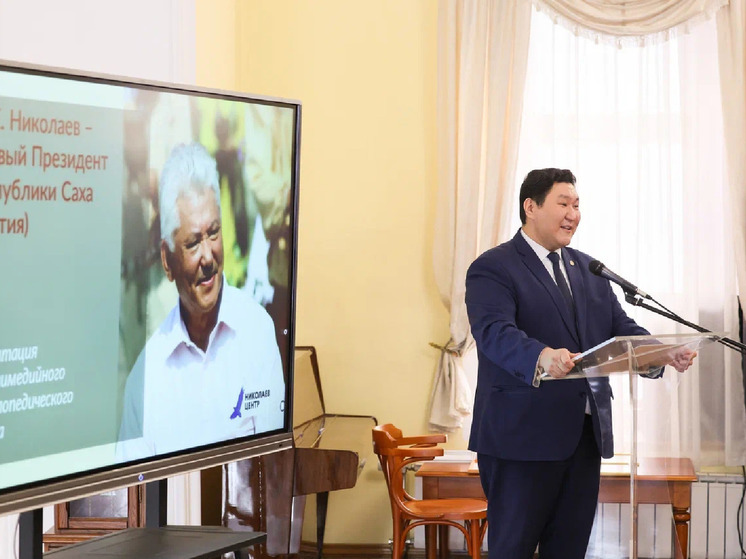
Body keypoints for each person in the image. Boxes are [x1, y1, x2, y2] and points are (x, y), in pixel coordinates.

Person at [465, 168, 695, 559]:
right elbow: (494, 333)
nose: (573, 213)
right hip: (520, 440)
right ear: (531, 207)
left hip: (583, 438)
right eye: (563, 203)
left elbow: (620, 329)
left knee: (569, 549)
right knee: (512, 549)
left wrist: (661, 353)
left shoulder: (588, 270)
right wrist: (541, 356)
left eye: (577, 205)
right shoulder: (494, 267)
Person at [116, 143, 285, 462]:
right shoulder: (146, 377)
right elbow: (128, 499)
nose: (208, 256)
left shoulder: (257, 330)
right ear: (167, 260)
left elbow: (272, 470)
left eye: (214, 233)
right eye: (193, 243)